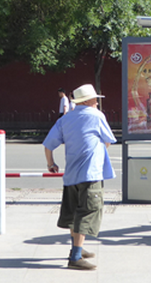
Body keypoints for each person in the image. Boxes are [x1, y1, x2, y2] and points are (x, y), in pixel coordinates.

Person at [43, 84, 116, 271]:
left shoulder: (66, 119)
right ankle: (75, 257)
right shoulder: (97, 116)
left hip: (71, 175)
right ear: (90, 101)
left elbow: (48, 145)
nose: (97, 102)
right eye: (95, 99)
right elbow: (108, 140)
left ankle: (77, 248)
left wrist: (51, 164)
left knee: (74, 212)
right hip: (91, 174)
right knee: (87, 212)